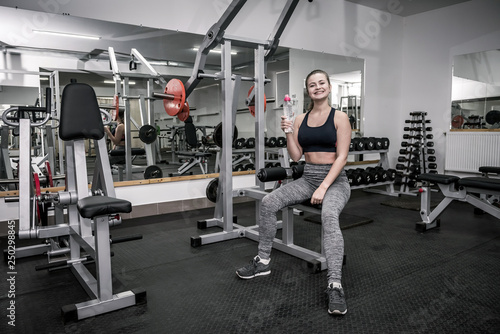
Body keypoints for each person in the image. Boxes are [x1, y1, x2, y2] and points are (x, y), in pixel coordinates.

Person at [236, 69, 352, 315]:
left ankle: (334, 284)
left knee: (329, 216)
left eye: (322, 83)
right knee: (268, 202)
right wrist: (288, 131)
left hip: (335, 181)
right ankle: (263, 261)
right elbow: (296, 156)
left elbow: (342, 157)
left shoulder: (340, 117)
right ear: (307, 90)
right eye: (312, 84)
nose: (317, 87)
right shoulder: (299, 119)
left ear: (329, 87)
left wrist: (323, 187)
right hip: (308, 177)